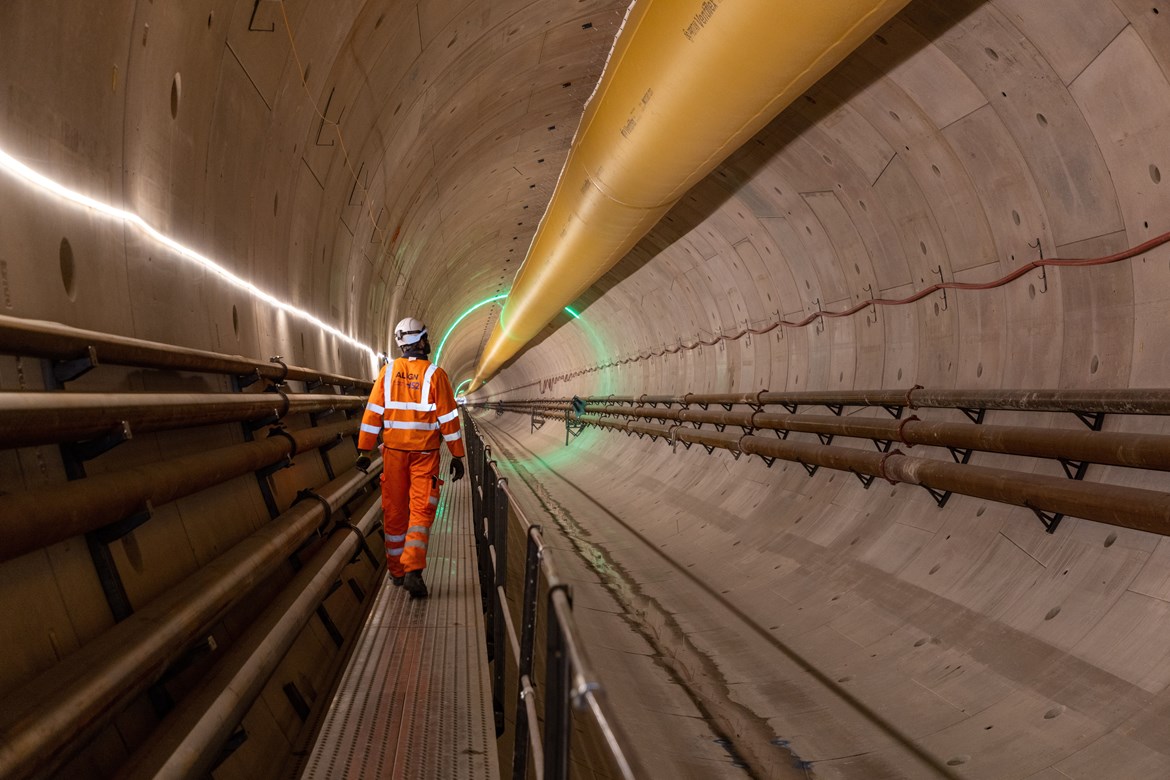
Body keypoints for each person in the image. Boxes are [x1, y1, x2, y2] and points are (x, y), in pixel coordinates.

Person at [355, 317, 465, 599]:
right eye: (427, 338)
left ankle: (397, 572)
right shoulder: (435, 375)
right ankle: (413, 569)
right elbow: (449, 419)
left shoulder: (387, 373)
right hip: (424, 456)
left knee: (394, 510)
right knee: (420, 511)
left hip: (393, 455)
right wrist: (457, 455)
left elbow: (372, 413)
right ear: (422, 341)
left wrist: (365, 450)